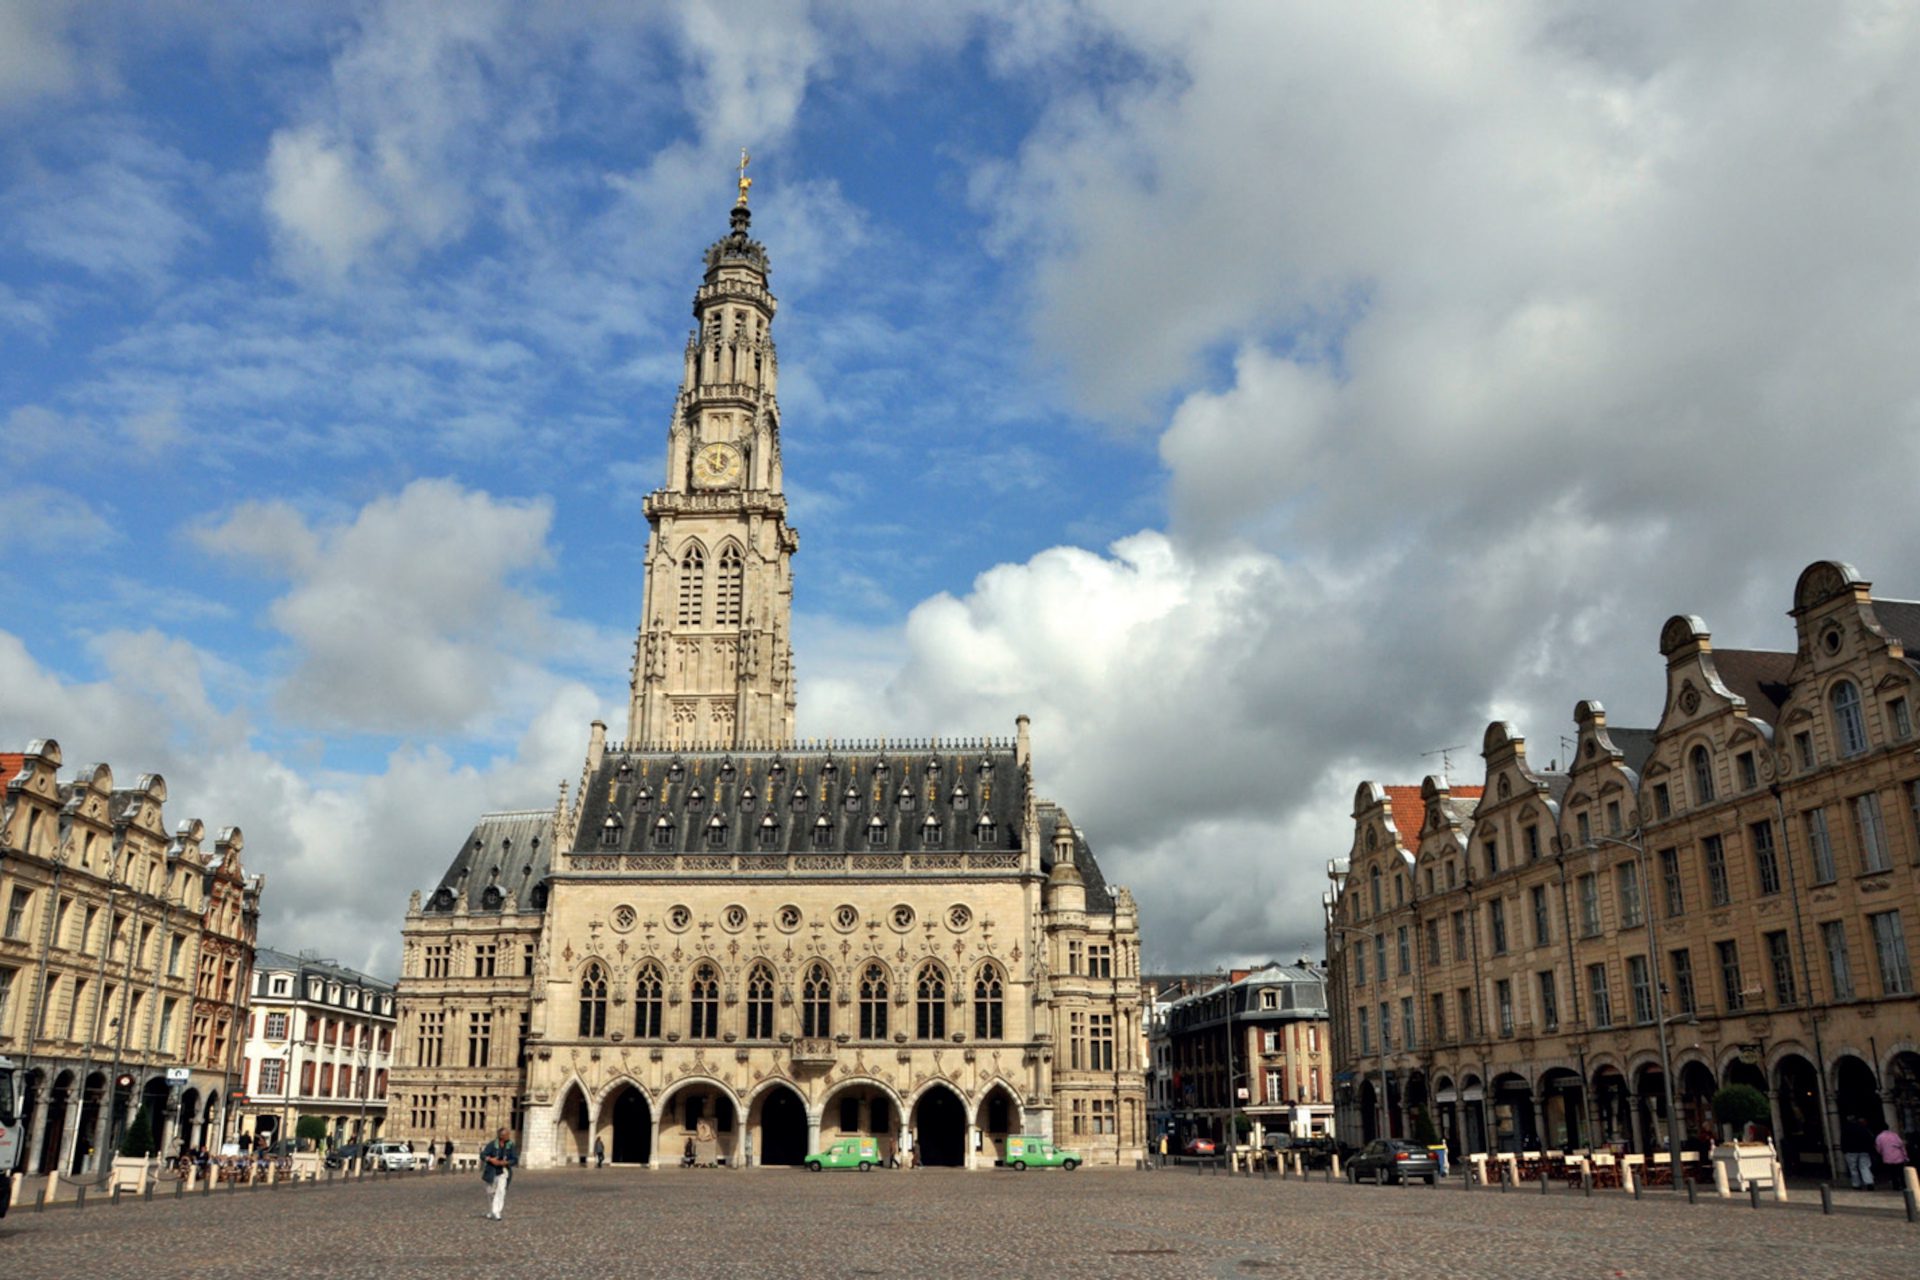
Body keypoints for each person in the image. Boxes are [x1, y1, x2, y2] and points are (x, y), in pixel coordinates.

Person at [480, 1127, 518, 1220]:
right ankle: (492, 1210)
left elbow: (515, 1159)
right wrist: (490, 1159)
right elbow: (483, 1155)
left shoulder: (510, 1145)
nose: (509, 1136)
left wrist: (506, 1162)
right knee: (491, 1192)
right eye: (507, 1135)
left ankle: (497, 1212)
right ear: (501, 1136)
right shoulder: (492, 1145)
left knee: (501, 1191)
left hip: (503, 1171)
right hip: (492, 1171)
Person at [1841, 1115, 1876, 1190]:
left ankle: (1856, 1184)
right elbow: (1869, 1138)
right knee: (1865, 1167)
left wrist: (1844, 1150)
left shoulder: (1846, 1129)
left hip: (1850, 1151)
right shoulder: (1863, 1128)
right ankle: (1869, 1182)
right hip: (1864, 1150)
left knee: (1853, 1168)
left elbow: (1843, 1140)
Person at [1874, 1122, 1909, 1191]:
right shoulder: (1894, 1135)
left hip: (1888, 1157)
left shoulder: (1879, 1137)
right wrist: (1905, 1155)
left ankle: (1896, 1186)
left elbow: (1878, 1148)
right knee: (1901, 1172)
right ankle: (1904, 1185)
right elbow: (1901, 1145)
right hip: (1898, 1156)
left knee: (1893, 1173)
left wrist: (1882, 1153)